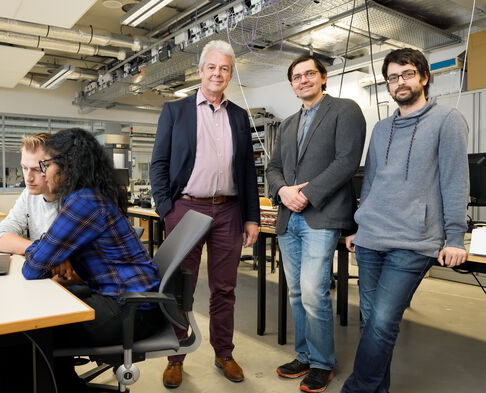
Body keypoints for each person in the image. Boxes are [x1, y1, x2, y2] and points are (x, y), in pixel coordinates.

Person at [0, 128, 162, 393]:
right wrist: (47, 250)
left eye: (45, 166)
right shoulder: (87, 195)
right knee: (18, 333)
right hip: (119, 299)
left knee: (20, 337)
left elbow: (33, 268)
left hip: (129, 310)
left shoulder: (83, 203)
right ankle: (64, 385)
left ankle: (61, 386)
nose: (43, 173)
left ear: (67, 167)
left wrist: (45, 252)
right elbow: (44, 256)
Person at [341, 48, 469, 393]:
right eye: (393, 77)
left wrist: (456, 236)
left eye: (408, 74)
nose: (400, 82)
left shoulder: (447, 120)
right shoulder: (381, 129)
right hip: (371, 239)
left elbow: (455, 180)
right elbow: (370, 182)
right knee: (370, 322)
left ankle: (356, 389)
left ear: (424, 77)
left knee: (382, 321)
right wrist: (358, 226)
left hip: (414, 242)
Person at [150, 39, 260, 388]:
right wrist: (168, 210)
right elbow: (159, 164)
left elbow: (247, 171)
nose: (217, 73)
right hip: (186, 208)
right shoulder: (175, 111)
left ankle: (223, 353)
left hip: (228, 210)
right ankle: (175, 356)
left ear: (230, 74)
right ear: (200, 72)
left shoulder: (240, 117)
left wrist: (252, 217)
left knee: (224, 288)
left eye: (224, 68)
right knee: (181, 287)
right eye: (211, 67)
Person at [266, 54, 366, 392]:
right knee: (296, 291)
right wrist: (282, 191)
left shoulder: (345, 110)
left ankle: (322, 363)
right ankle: (305, 355)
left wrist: (306, 195)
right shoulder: (287, 123)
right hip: (287, 218)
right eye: (297, 76)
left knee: (312, 291)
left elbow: (346, 161)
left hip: (320, 216)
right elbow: (273, 167)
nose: (303, 80)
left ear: (323, 77)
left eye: (310, 74)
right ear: (292, 84)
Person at [0, 133, 58, 255]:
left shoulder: (78, 200)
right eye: (24, 168)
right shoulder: (28, 195)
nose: (28, 178)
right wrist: (42, 250)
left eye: (36, 170)